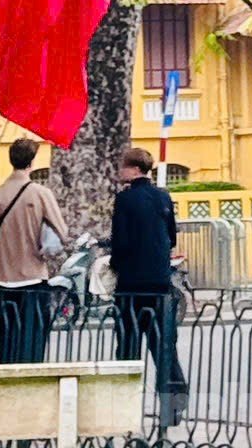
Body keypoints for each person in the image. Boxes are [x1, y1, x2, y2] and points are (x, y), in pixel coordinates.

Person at [109, 145, 187, 427]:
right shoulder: (163, 196)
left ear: (133, 169)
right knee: (164, 348)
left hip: (131, 285)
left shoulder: (125, 200)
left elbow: (121, 242)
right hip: (160, 284)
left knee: (128, 349)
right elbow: (171, 237)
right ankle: (173, 408)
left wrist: (115, 264)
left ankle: (125, 407)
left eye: (123, 166)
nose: (120, 170)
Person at [0, 137, 68, 365]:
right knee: (33, 344)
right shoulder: (40, 194)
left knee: (8, 342)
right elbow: (62, 232)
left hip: (4, 282)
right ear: (32, 162)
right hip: (34, 278)